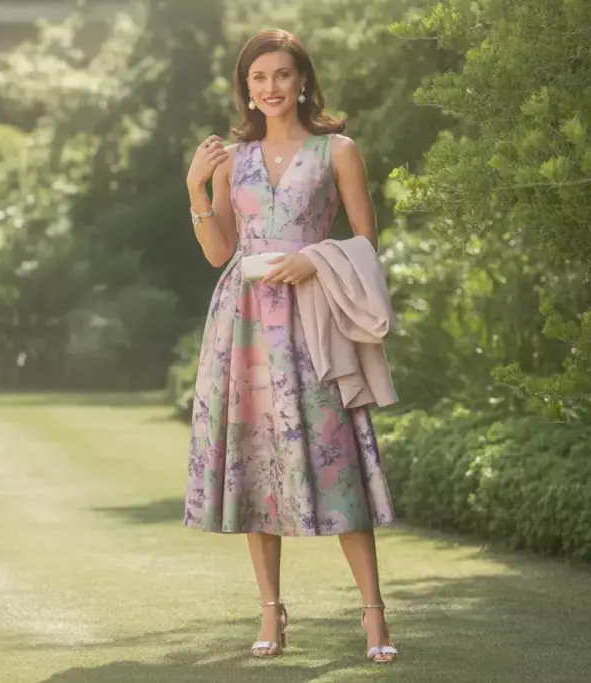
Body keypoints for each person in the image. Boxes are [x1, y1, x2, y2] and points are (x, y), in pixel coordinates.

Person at [183, 28, 399, 664]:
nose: (269, 87)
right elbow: (221, 251)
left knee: (339, 455)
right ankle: (271, 613)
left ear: (302, 80)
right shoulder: (233, 159)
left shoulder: (338, 150)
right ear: (246, 90)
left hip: (312, 319)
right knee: (254, 459)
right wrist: (196, 188)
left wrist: (314, 261)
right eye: (257, 78)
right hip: (243, 322)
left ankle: (374, 618)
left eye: (280, 75)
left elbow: (366, 240)